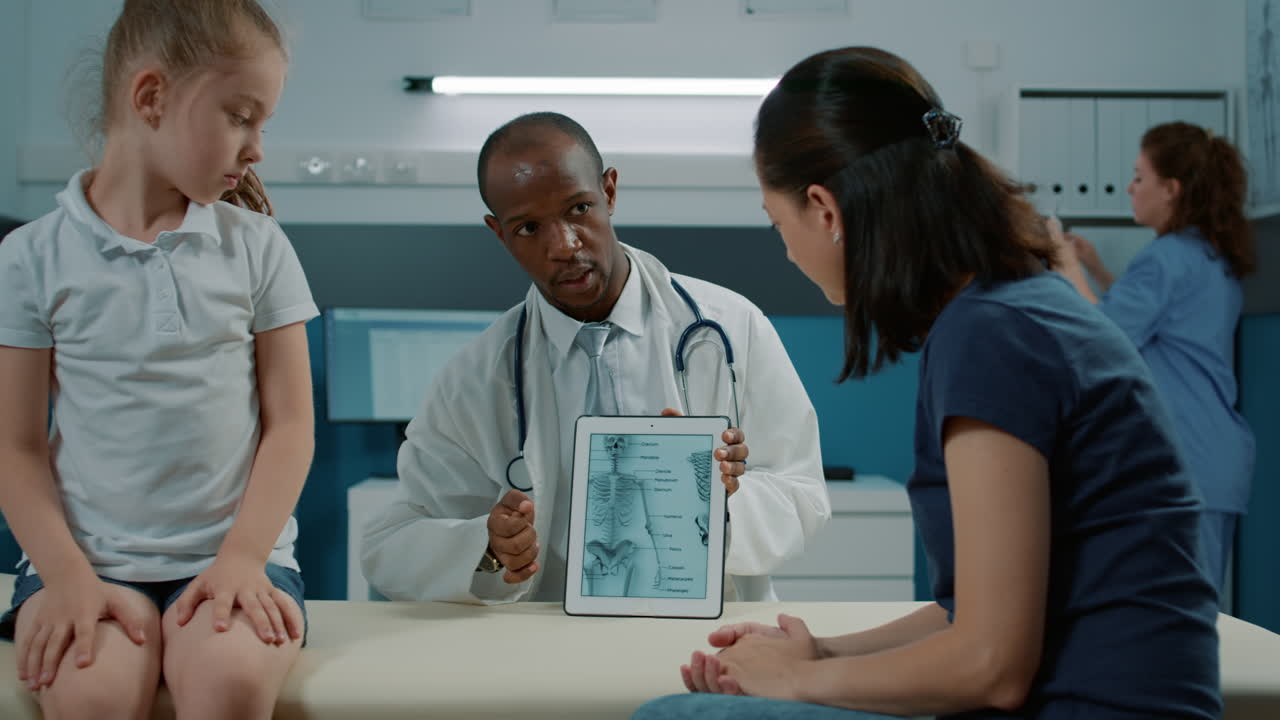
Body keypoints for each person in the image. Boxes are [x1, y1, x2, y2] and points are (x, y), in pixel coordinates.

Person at [635, 47, 1220, 720]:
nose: (787, 248)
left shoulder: (990, 337)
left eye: (778, 222)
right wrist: (819, 653)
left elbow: (990, 667)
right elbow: (968, 617)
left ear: (824, 209)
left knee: (674, 716)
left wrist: (794, 682)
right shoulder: (1016, 306)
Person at [361, 112, 830, 603]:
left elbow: (803, 494)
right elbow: (392, 542)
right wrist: (486, 545)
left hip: (706, 641)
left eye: (579, 208)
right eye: (527, 229)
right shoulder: (476, 377)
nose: (563, 246)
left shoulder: (731, 329)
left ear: (608, 192)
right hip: (550, 651)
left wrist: (727, 500)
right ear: (498, 234)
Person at [0, 1, 317, 718]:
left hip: (234, 555)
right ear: (151, 98)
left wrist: (241, 559)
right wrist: (68, 578)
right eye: (241, 116)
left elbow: (292, 425)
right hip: (85, 563)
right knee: (92, 692)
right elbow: (13, 446)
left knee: (229, 680)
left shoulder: (258, 247)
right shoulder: (30, 258)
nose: (258, 146)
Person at [1051, 122, 1256, 596]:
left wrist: (1062, 261)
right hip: (1212, 454)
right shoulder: (1204, 254)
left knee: (1183, 617)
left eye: (1140, 177)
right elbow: (1153, 328)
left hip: (1191, 458)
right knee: (1197, 612)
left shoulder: (1165, 258)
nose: (1130, 187)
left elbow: (1105, 334)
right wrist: (1095, 269)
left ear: (1171, 190)